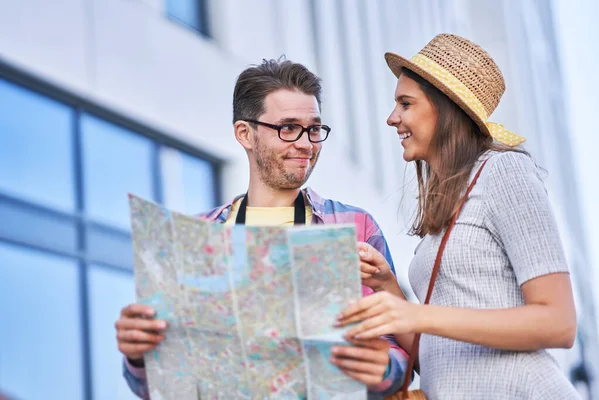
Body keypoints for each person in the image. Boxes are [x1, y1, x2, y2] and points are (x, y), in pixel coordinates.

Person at [115, 58, 408, 398]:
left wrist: (384, 369)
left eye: (313, 129)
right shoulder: (196, 238)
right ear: (245, 134)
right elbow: (155, 387)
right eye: (287, 128)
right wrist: (138, 355)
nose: (305, 144)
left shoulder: (355, 227)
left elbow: (400, 352)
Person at [336, 34, 580, 399]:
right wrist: (387, 285)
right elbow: (434, 353)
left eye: (405, 103)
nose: (392, 118)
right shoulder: (448, 198)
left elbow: (558, 323)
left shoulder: (505, 171)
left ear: (445, 106)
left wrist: (421, 316)